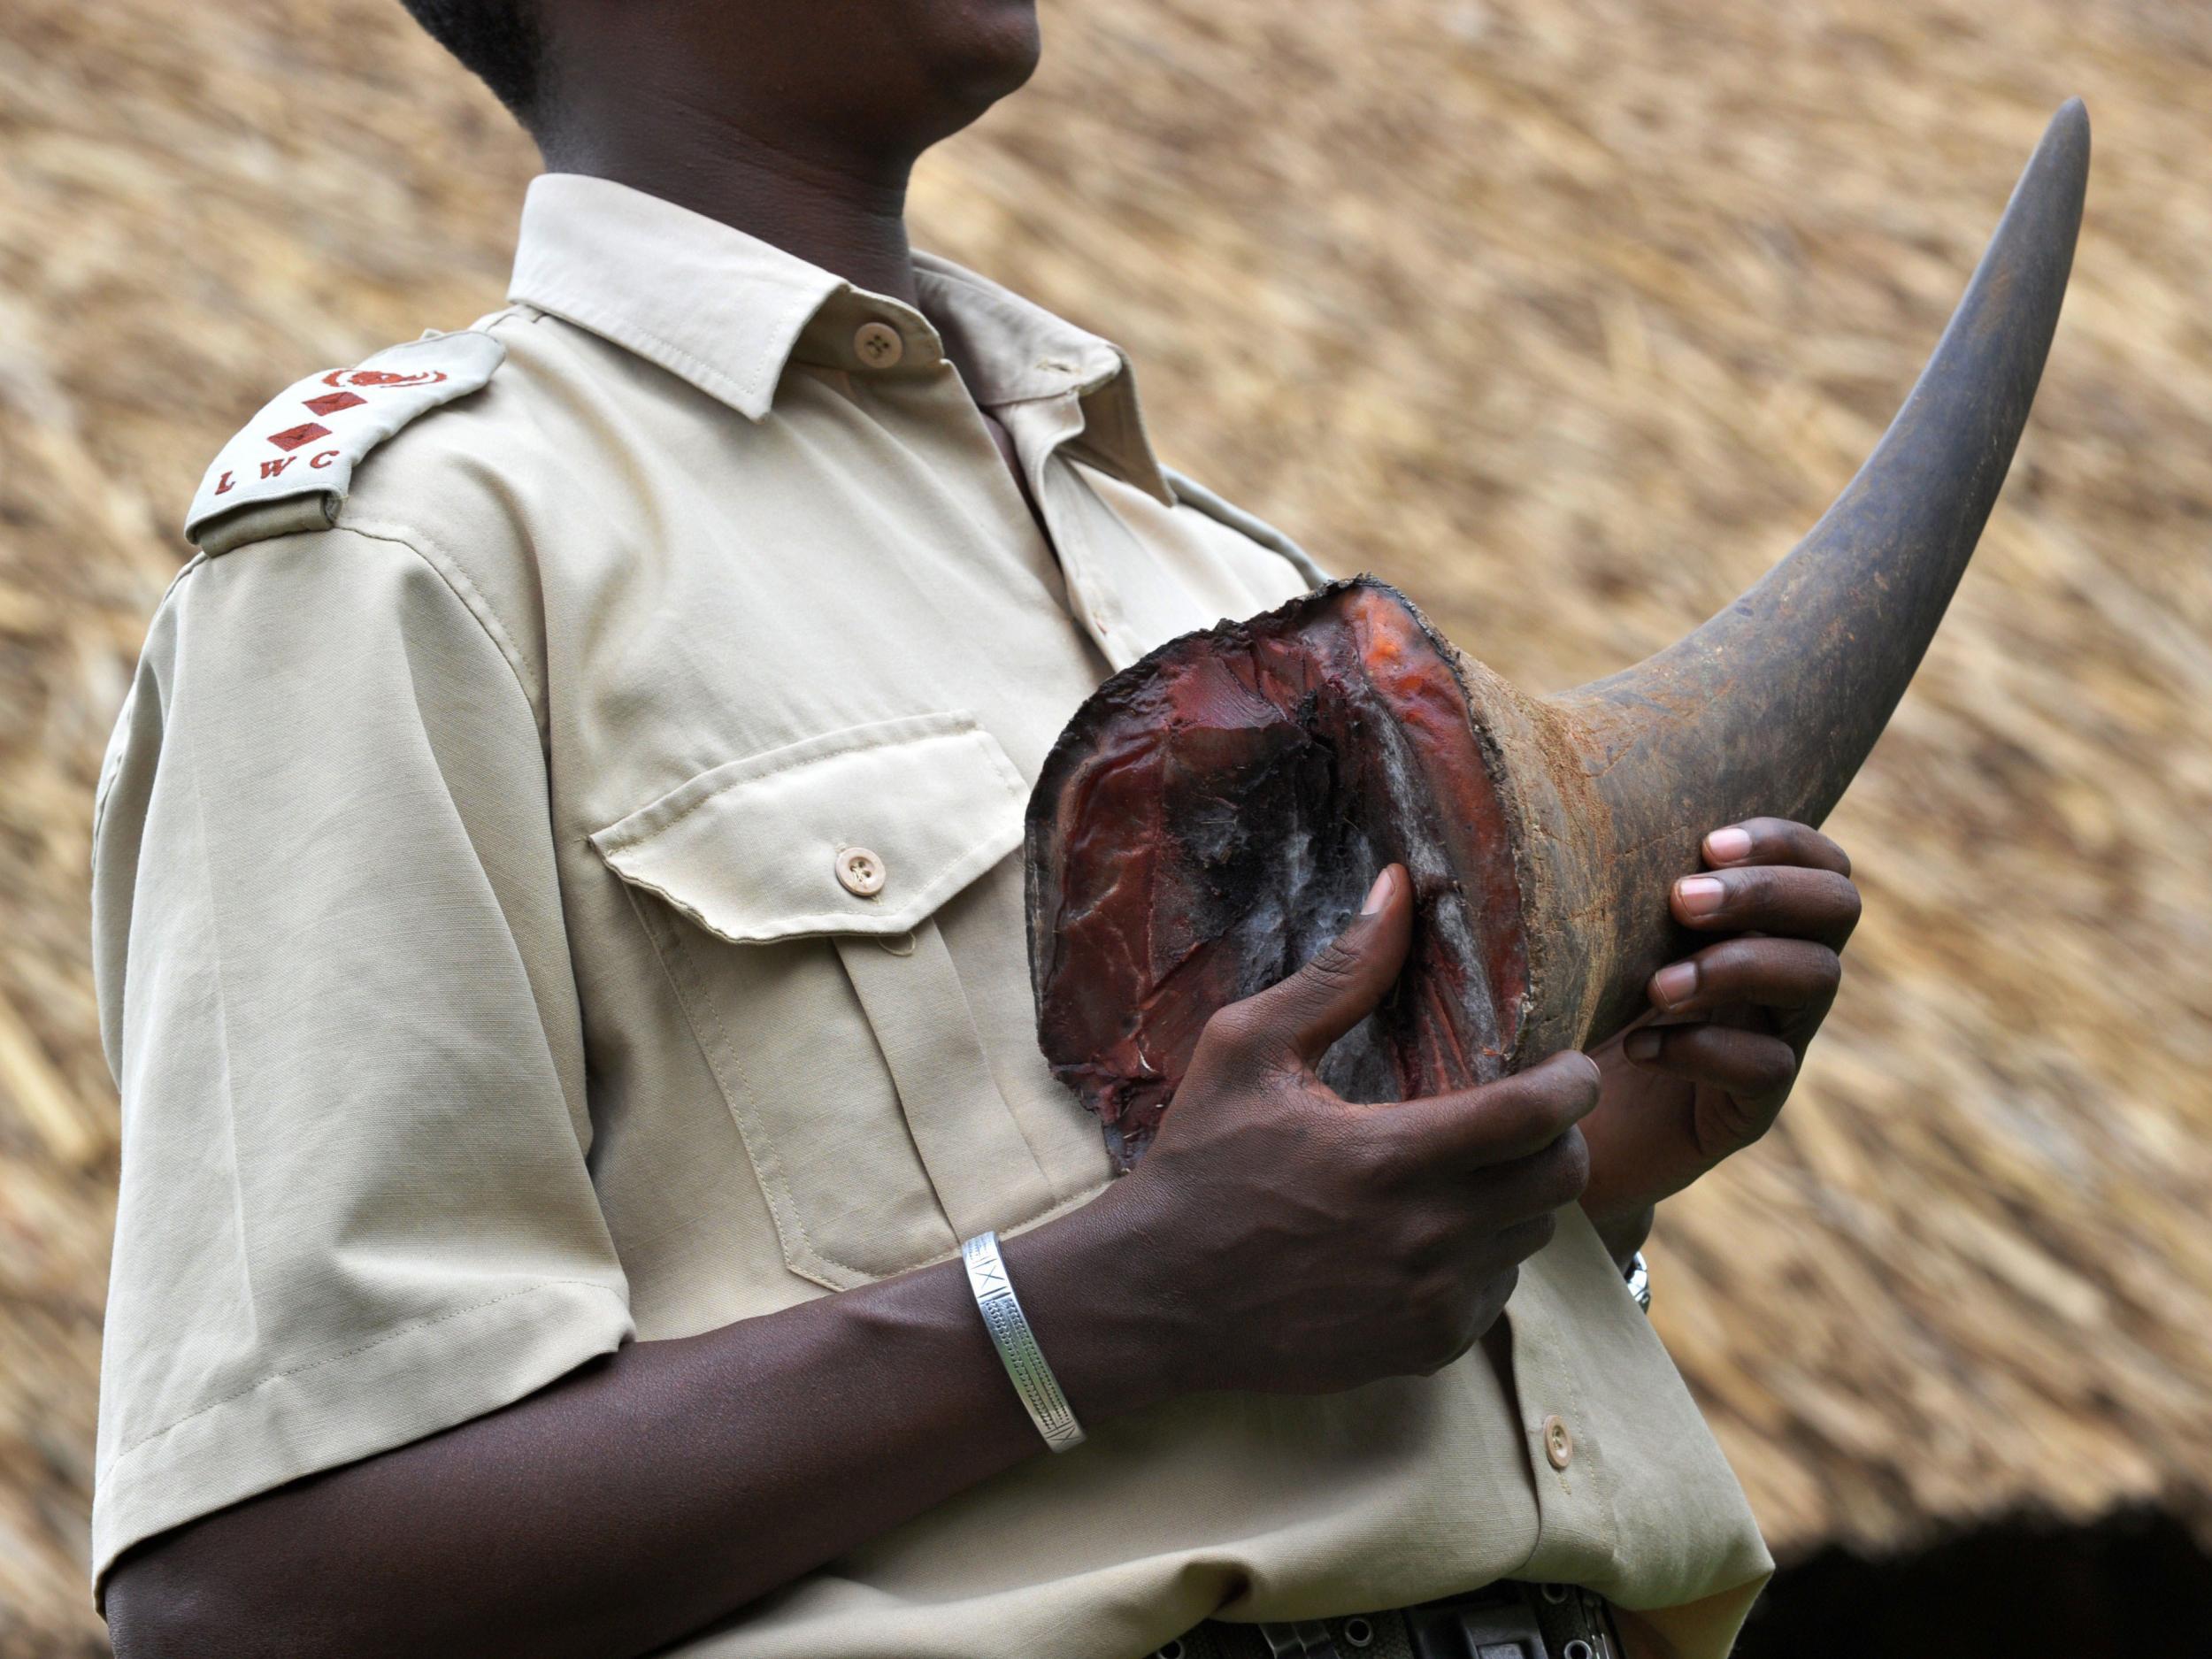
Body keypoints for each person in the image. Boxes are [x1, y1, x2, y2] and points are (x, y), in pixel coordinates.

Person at [88, 2, 1863, 1655]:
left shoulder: (1213, 563)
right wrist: (1110, 1305)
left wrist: (1582, 1175)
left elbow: (1329, 1317)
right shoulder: (420, 560)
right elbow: (254, 1584)